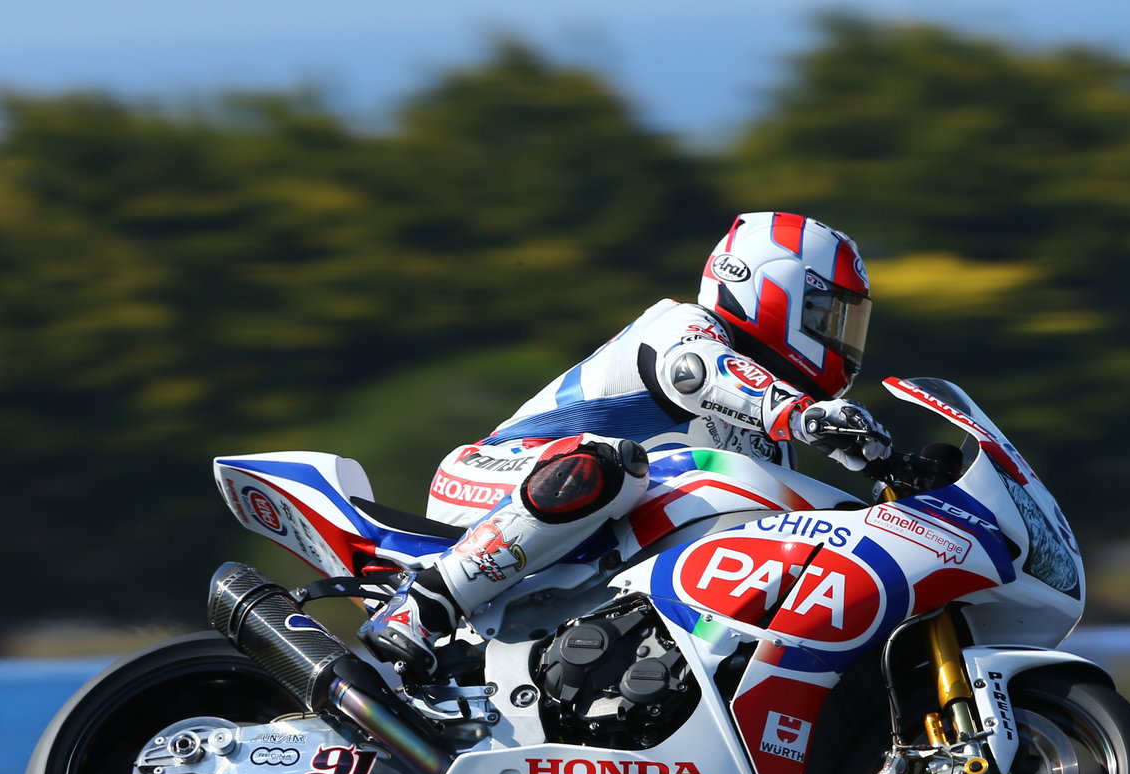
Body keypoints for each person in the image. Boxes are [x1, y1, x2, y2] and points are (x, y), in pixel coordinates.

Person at [359, 211, 891, 677]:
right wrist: (803, 415)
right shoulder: (686, 326)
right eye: (826, 315)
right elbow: (696, 373)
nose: (841, 336)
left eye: (848, 321)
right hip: (494, 480)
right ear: (768, 289)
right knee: (615, 464)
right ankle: (424, 604)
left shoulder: (769, 445)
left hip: (587, 539)